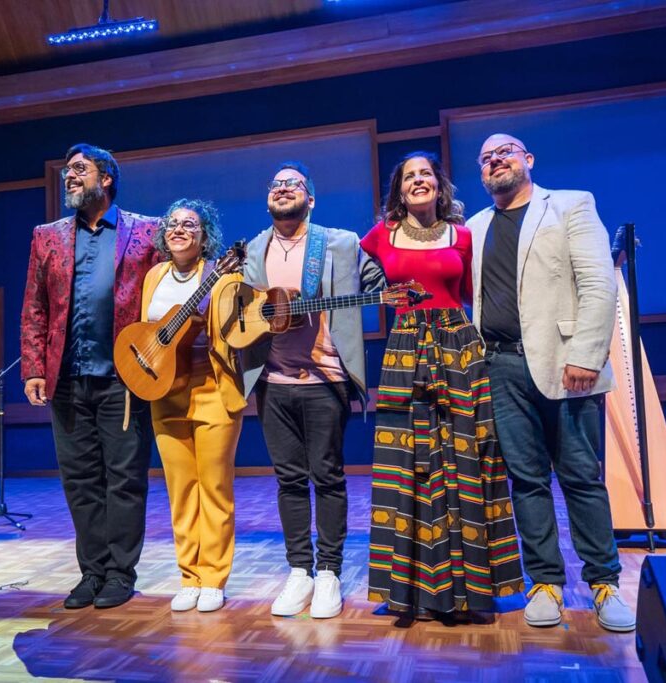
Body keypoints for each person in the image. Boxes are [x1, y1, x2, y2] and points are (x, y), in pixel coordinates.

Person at [467, 133, 635, 632]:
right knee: (527, 479)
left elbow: (599, 282)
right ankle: (545, 582)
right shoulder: (475, 226)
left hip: (566, 365)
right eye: (486, 157)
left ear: (528, 160)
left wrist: (585, 353)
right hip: (499, 367)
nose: (496, 159)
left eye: (506, 151)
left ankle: (605, 584)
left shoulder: (570, 204)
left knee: (581, 476)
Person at [362, 152, 523, 618]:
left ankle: (472, 585)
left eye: (425, 174)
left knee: (468, 457)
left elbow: (477, 296)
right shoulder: (380, 237)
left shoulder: (464, 235)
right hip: (405, 350)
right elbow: (368, 288)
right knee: (408, 463)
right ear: (398, 190)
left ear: (439, 184)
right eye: (408, 176)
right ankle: (409, 591)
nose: (418, 181)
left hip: (458, 350)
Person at [242, 162, 385, 619]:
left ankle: (329, 573)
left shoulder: (340, 243)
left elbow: (380, 283)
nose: (283, 189)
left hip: (325, 378)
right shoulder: (253, 249)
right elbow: (238, 308)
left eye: (294, 184)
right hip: (272, 381)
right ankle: (299, 570)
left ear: (311, 198)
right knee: (288, 480)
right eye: (276, 183)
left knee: (327, 476)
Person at [20, 143, 158, 610]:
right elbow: (35, 307)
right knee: (79, 479)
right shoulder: (47, 235)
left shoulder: (148, 231)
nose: (68, 178)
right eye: (65, 172)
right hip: (66, 378)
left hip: (125, 376)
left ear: (108, 178)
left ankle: (120, 572)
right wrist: (34, 369)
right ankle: (92, 571)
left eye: (79, 170)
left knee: (124, 478)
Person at [138, 199, 245, 613]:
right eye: (173, 224)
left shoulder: (220, 276)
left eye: (190, 225)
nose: (179, 230)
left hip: (211, 388)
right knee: (181, 491)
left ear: (205, 237)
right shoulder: (153, 276)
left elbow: (240, 328)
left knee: (214, 488)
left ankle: (214, 577)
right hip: (164, 391)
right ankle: (190, 575)